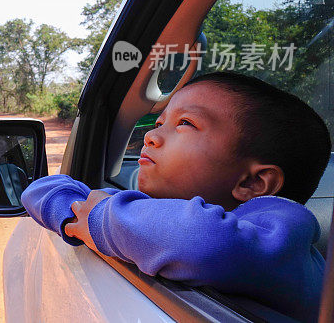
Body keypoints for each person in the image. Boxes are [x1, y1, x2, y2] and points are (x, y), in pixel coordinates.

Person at [21, 71, 331, 322]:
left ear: (253, 182)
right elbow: (38, 190)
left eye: (185, 123)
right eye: (158, 123)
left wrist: (98, 217)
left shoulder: (281, 237)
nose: (150, 136)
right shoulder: (162, 211)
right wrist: (77, 211)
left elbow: (201, 240)